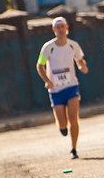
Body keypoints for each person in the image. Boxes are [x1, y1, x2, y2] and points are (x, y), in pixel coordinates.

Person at [36, 17, 89, 159]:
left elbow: (79, 59)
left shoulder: (73, 45)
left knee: (74, 118)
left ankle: (74, 148)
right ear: (53, 30)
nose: (60, 29)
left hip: (71, 86)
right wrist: (47, 80)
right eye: (57, 27)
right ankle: (61, 126)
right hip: (55, 89)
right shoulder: (48, 47)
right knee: (62, 122)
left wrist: (82, 66)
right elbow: (39, 65)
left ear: (67, 28)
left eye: (62, 26)